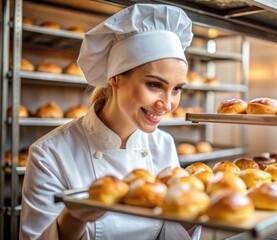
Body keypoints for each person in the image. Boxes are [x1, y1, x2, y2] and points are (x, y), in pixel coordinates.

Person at [19, 3, 200, 240]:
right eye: (155, 85)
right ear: (115, 78)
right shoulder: (49, 153)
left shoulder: (163, 144)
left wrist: (194, 207)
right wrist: (73, 217)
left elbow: (170, 232)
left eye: (176, 89)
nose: (167, 104)